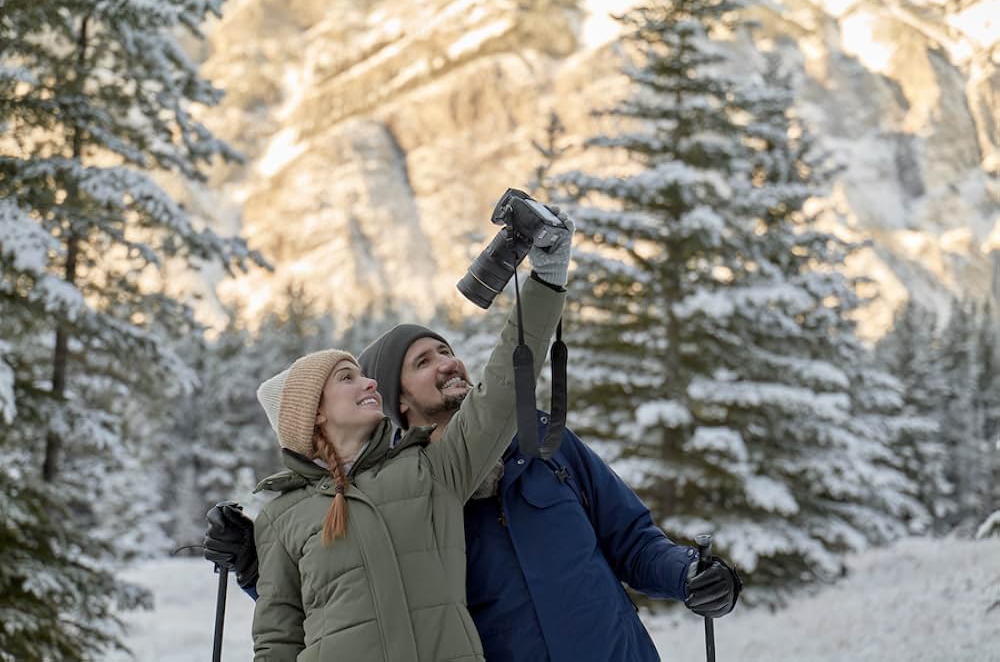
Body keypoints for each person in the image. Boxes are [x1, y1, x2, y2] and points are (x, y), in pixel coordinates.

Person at [206, 231, 742, 662]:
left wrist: (687, 574)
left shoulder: (540, 446)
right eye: (422, 363)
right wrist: (255, 566)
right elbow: (349, 597)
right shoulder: (411, 486)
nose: (449, 363)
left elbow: (630, 538)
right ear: (395, 402)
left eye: (446, 350)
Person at [231, 224, 569, 660]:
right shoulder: (280, 518)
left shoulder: (430, 469)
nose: (370, 381)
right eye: (347, 378)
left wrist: (546, 279)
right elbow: (277, 641)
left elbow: (503, 390)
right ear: (314, 411)